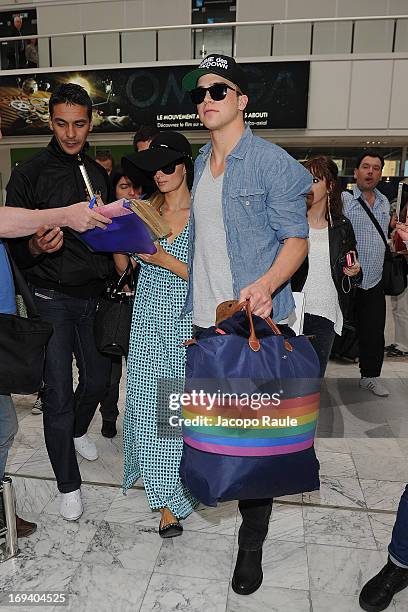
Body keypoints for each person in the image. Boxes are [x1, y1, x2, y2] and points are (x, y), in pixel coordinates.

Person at [181, 53, 311, 595]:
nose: (206, 99)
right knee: (209, 430)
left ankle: (251, 543)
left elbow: (297, 240)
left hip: (253, 323)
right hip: (205, 323)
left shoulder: (272, 163)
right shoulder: (196, 164)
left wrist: (266, 285)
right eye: (200, 93)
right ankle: (191, 495)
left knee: (256, 443)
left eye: (218, 89)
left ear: (242, 101)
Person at [6, 83, 114, 522]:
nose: (71, 133)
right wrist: (36, 246)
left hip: (94, 297)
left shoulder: (98, 171)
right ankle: (68, 485)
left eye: (80, 124)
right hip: (50, 300)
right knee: (58, 395)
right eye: (62, 123)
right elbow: (14, 245)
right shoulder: (28, 174)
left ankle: (74, 433)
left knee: (100, 381)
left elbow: (107, 234)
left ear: (91, 124)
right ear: (50, 122)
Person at [0, 201, 110, 538]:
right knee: (13, 421)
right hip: (42, 304)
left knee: (4, 427)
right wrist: (64, 215)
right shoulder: (30, 177)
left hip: (6, 322)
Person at [119, 131, 198, 537]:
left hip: (185, 323)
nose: (162, 175)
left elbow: (205, 277)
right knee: (149, 410)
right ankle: (165, 501)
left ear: (186, 165)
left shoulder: (205, 214)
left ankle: (182, 485)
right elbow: (125, 261)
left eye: (169, 166)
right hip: (149, 320)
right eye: (155, 169)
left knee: (175, 414)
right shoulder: (144, 209)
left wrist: (162, 258)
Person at [291, 156, 362, 376]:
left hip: (326, 312)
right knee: (286, 379)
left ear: (330, 186)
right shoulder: (291, 221)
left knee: (313, 382)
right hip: (293, 311)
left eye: (314, 180)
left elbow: (352, 270)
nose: (307, 185)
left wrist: (355, 271)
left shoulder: (342, 227)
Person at [342, 152, 391, 397]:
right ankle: (314, 375)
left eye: (376, 168)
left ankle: (370, 376)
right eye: (365, 167)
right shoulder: (344, 200)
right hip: (347, 280)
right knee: (333, 328)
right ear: (356, 172)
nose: (370, 171)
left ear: (380, 174)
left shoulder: (384, 203)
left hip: (374, 281)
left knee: (373, 332)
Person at [98, 167, 142, 438]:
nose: (131, 193)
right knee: (112, 370)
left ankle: (141, 422)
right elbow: (122, 270)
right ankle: (109, 416)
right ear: (114, 190)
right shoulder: (106, 222)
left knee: (140, 371)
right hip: (117, 303)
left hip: (147, 305)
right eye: (124, 186)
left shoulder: (151, 217)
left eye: (134, 187)